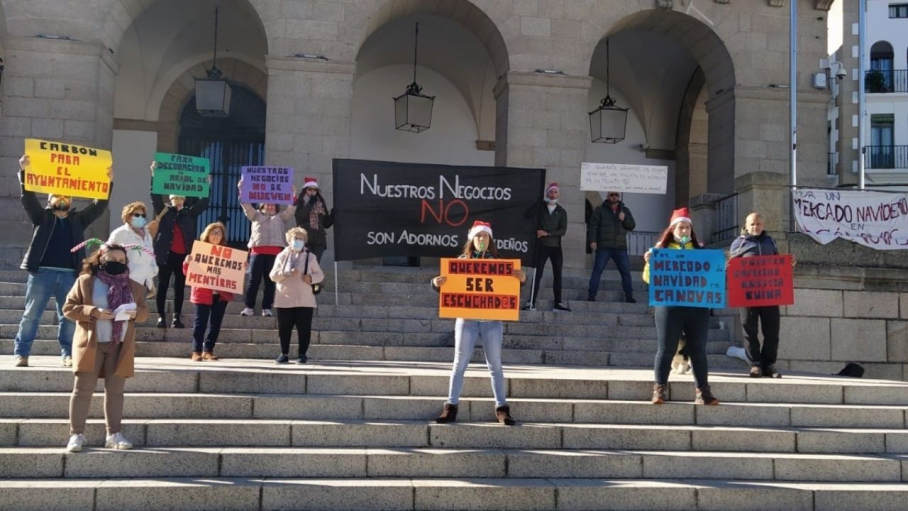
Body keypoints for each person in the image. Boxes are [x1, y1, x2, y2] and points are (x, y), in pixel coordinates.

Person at [13, 155, 112, 368]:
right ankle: (22, 353)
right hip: (42, 273)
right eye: (56, 195)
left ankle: (67, 354)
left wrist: (107, 182)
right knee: (31, 315)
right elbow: (28, 199)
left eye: (66, 196)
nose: (61, 198)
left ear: (71, 200)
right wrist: (25, 173)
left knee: (68, 316)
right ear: (49, 199)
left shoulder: (78, 220)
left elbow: (98, 206)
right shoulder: (43, 217)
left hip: (69, 274)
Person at [431, 220, 526, 426]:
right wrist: (436, 283)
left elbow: (510, 289)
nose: (481, 239)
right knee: (459, 363)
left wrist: (522, 279)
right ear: (471, 240)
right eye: (478, 236)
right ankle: (451, 406)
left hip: (491, 321)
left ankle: (502, 408)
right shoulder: (460, 261)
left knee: (495, 364)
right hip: (467, 320)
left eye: (485, 236)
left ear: (490, 240)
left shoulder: (500, 263)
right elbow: (447, 283)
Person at [63, 242, 148, 452]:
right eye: (112, 260)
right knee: (82, 390)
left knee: (116, 392)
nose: (117, 264)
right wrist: (93, 311)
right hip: (91, 344)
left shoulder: (134, 286)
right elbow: (69, 308)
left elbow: (145, 312)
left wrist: (134, 313)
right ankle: (76, 434)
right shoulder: (86, 282)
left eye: (121, 261)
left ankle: (114, 434)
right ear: (101, 258)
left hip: (119, 346)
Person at [643, 208, 718, 406]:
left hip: (697, 306)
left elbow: (711, 279)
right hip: (669, 305)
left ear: (691, 230)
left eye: (687, 227)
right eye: (680, 227)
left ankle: (703, 391)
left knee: (698, 350)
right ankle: (659, 389)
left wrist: (721, 267)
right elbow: (648, 279)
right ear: (672, 229)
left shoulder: (702, 252)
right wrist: (650, 264)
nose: (683, 231)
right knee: (666, 349)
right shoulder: (661, 251)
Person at [728, 212, 796, 379]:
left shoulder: (771, 242)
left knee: (772, 332)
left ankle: (769, 364)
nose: (755, 227)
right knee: (749, 331)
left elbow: (777, 265)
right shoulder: (738, 243)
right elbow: (730, 267)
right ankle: (755, 364)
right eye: (752, 224)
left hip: (769, 294)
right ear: (746, 225)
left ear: (763, 225)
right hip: (748, 295)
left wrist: (789, 265)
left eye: (758, 224)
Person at [149, 162, 210, 329]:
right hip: (165, 255)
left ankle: (176, 316)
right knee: (162, 285)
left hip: (183, 256)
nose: (177, 201)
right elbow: (154, 196)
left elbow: (204, 202)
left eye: (180, 198)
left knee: (179, 287)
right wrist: (154, 176)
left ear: (184, 200)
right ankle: (161, 316)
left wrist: (206, 185)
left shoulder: (189, 213)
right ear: (171, 199)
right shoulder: (164, 211)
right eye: (175, 198)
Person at [238, 177, 297, 317]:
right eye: (267, 204)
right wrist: (241, 189)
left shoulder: (281, 217)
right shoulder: (255, 215)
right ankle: (249, 307)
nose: (270, 206)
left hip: (275, 254)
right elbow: (246, 205)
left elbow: (291, 209)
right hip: (257, 253)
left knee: (271, 281)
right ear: (262, 205)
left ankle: (266, 307)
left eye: (272, 205)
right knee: (253, 281)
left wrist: (293, 194)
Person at [269, 227, 324, 364]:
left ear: (304, 241)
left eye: (301, 238)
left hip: (304, 299)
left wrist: (310, 278)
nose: (298, 241)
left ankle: (302, 354)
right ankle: (284, 353)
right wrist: (285, 273)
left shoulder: (311, 257)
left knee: (304, 328)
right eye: (295, 238)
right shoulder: (281, 256)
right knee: (284, 329)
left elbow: (320, 275)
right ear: (289, 240)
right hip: (285, 298)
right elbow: (273, 276)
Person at [182, 223, 233, 362]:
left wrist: (242, 268)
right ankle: (196, 351)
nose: (216, 235)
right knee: (200, 323)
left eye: (219, 233)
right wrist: (187, 262)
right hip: (202, 292)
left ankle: (208, 351)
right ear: (207, 234)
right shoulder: (198, 251)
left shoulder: (228, 253)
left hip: (221, 294)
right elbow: (187, 272)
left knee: (215, 323)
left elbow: (233, 272)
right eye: (213, 232)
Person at [524, 182, 570, 312]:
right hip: (542, 246)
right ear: (547, 193)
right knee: (537, 274)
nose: (553, 194)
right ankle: (531, 301)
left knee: (558, 275)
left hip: (555, 247)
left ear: (558, 194)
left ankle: (558, 302)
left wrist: (547, 233)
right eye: (551, 192)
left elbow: (562, 230)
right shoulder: (541, 208)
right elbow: (528, 216)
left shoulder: (561, 212)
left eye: (555, 192)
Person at [587, 191, 636, 303]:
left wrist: (624, 219)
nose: (614, 197)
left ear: (619, 196)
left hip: (620, 247)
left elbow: (632, 226)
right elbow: (593, 226)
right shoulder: (599, 210)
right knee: (597, 270)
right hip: (604, 246)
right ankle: (591, 295)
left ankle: (629, 296)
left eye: (616, 195)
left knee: (626, 272)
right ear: (608, 196)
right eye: (612, 195)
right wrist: (593, 240)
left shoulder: (625, 210)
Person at [108, 202, 157, 295]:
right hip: (126, 283)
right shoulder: (120, 233)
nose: (140, 217)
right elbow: (109, 256)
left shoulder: (147, 235)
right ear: (128, 216)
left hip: (144, 283)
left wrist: (153, 270)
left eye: (143, 215)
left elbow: (151, 255)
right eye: (137, 215)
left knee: (140, 309)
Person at [294, 177, 333, 262]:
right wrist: (310, 203)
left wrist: (333, 216)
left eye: (315, 190)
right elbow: (299, 217)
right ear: (305, 190)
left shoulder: (320, 202)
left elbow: (326, 224)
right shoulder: (300, 201)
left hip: (319, 239)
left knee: (314, 264)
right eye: (310, 189)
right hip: (304, 237)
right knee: (303, 263)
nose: (312, 192)